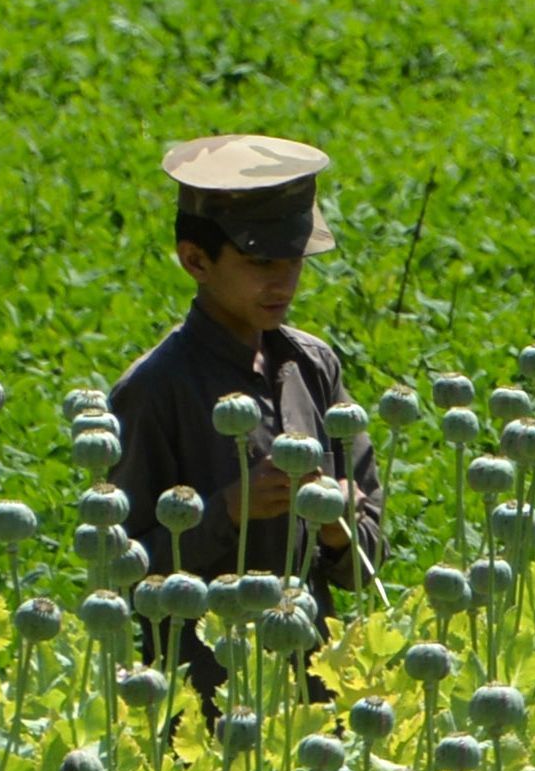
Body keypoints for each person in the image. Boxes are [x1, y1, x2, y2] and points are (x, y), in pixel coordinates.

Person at [110, 135, 388, 655]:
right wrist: (226, 513)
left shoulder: (314, 367)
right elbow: (118, 573)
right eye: (260, 263)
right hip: (199, 691)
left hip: (313, 688)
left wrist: (336, 528)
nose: (283, 282)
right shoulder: (155, 389)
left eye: (294, 260)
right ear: (195, 261)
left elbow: (368, 561)